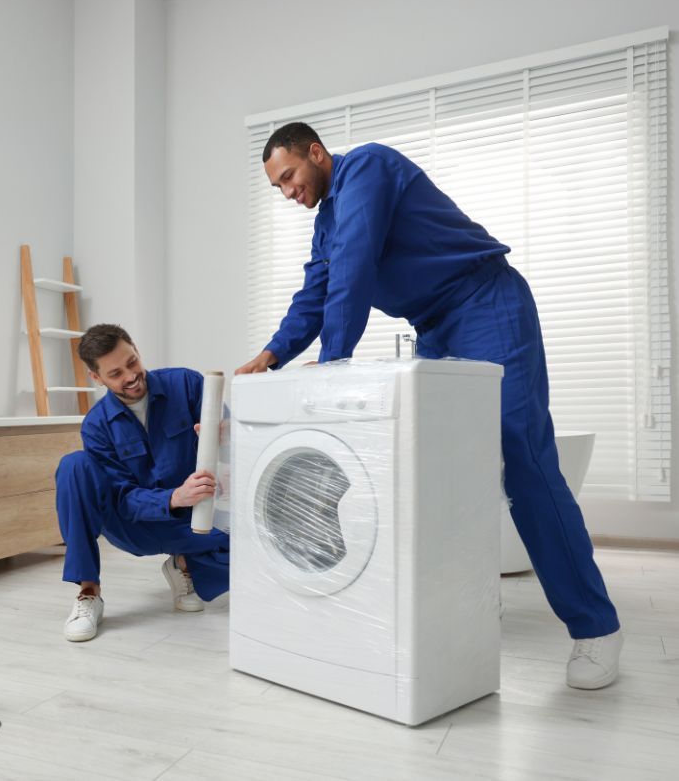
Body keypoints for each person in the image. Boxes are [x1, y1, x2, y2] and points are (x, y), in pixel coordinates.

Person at [236, 122, 622, 689]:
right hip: (435, 327)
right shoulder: (325, 224)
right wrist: (270, 356)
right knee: (441, 476)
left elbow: (357, 264)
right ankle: (465, 608)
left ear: (317, 153)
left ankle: (596, 628)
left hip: (486, 301)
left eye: (290, 176)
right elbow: (316, 292)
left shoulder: (366, 167)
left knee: (526, 461)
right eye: (279, 188)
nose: (289, 192)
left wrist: (335, 359)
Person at [55, 323, 230, 642]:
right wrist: (174, 497)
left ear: (135, 348)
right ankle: (88, 592)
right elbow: (123, 498)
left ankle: (184, 564)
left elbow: (231, 438)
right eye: (116, 373)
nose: (131, 376)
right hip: (134, 525)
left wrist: (226, 435)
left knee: (257, 546)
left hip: (193, 522)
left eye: (132, 362)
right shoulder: (96, 426)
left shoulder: (187, 384)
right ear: (97, 378)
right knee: (74, 466)